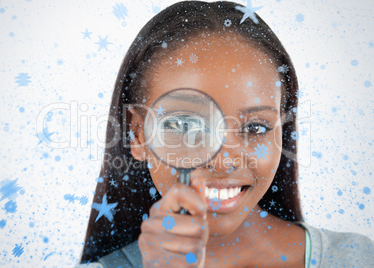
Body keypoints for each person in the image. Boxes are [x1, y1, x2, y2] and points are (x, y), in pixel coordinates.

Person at [76, 1, 374, 267]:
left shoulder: (356, 258)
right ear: (138, 135)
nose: (223, 160)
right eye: (186, 126)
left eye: (256, 127)